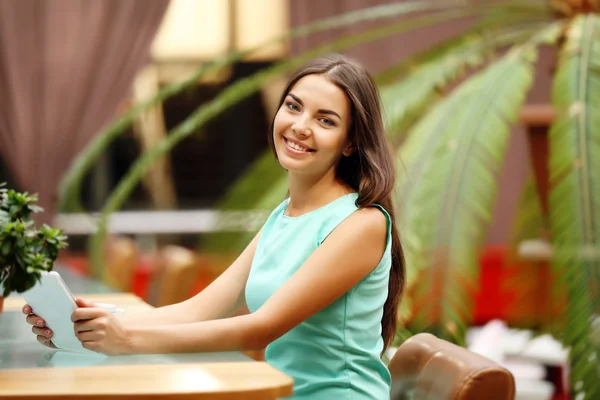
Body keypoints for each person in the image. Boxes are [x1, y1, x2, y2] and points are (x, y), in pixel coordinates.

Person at [23, 53, 405, 399]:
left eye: (325, 120)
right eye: (293, 107)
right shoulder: (284, 214)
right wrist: (95, 322)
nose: (300, 126)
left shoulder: (362, 223)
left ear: (351, 143)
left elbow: (261, 329)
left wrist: (127, 340)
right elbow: (199, 309)